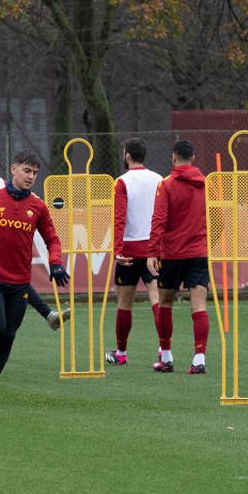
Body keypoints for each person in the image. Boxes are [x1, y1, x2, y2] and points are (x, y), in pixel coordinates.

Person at [0, 150, 65, 403]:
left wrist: (56, 263)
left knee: (8, 336)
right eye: (27, 171)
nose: (31, 177)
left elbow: (53, 239)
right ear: (13, 169)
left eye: (35, 173)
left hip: (19, 284)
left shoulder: (38, 206)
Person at [148, 140, 210, 375]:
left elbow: (159, 219)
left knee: (164, 304)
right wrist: (206, 244)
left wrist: (152, 251)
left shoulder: (166, 184)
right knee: (199, 306)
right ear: (193, 158)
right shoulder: (206, 184)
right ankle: (199, 358)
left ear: (174, 158)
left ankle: (166, 356)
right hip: (198, 253)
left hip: (172, 254)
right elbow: (220, 221)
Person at [107, 138, 162, 367]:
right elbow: (162, 216)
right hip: (153, 249)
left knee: (124, 303)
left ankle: (121, 353)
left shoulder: (121, 182)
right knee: (157, 300)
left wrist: (117, 249)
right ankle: (163, 350)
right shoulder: (160, 179)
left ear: (127, 155)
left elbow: (119, 217)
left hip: (129, 250)